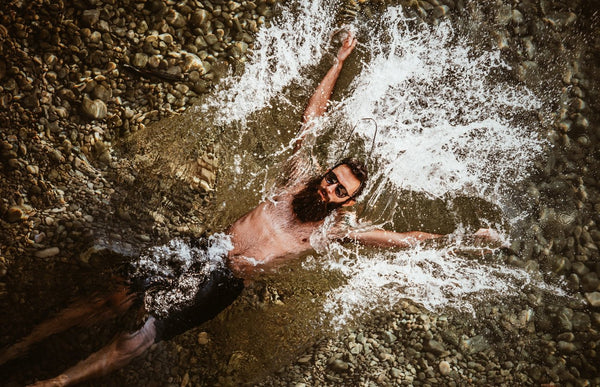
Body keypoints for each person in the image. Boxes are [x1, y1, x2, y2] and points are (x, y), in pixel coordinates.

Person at [0, 31, 498, 386]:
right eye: (330, 180)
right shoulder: (293, 184)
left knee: (139, 340)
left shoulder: (330, 234)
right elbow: (312, 115)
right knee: (112, 296)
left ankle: (58, 382)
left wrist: (466, 239)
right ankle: (25, 343)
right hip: (207, 246)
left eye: (339, 191)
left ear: (348, 200)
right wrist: (340, 61)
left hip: (225, 282)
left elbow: (403, 241)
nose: (327, 191)